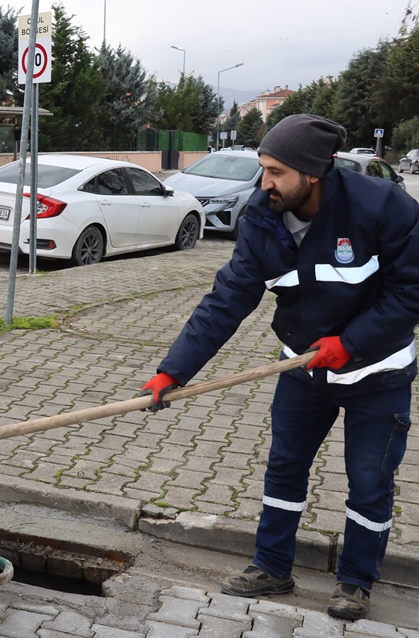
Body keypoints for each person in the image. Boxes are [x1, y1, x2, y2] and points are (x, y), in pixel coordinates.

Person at [138, 114, 419, 621]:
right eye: (263, 169)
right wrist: (173, 371)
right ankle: (272, 566)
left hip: (379, 375)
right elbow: (227, 299)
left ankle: (355, 582)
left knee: (369, 482)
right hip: (303, 370)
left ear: (312, 173)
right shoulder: (261, 217)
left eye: (276, 172)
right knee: (285, 468)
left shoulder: (383, 207)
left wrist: (351, 344)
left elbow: (411, 292)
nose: (264, 182)